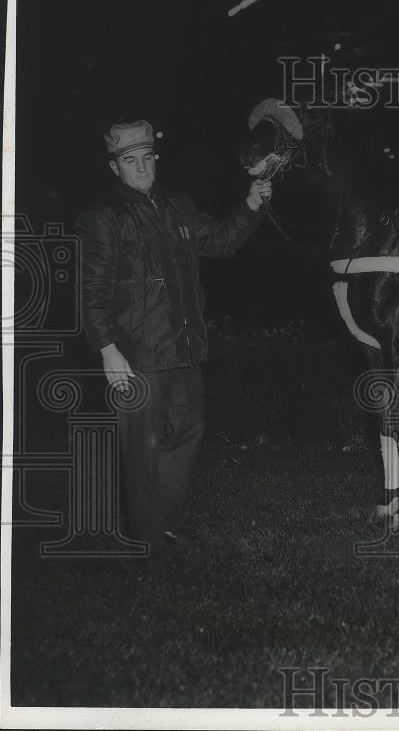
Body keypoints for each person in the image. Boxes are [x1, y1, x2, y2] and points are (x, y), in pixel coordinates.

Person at [76, 119, 272, 554]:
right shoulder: (102, 216)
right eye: (130, 160)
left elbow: (221, 240)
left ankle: (161, 525)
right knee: (143, 447)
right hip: (137, 352)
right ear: (115, 168)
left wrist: (251, 205)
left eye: (147, 157)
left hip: (185, 347)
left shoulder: (179, 205)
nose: (141, 166)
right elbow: (90, 288)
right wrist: (108, 350)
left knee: (187, 434)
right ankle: (144, 538)